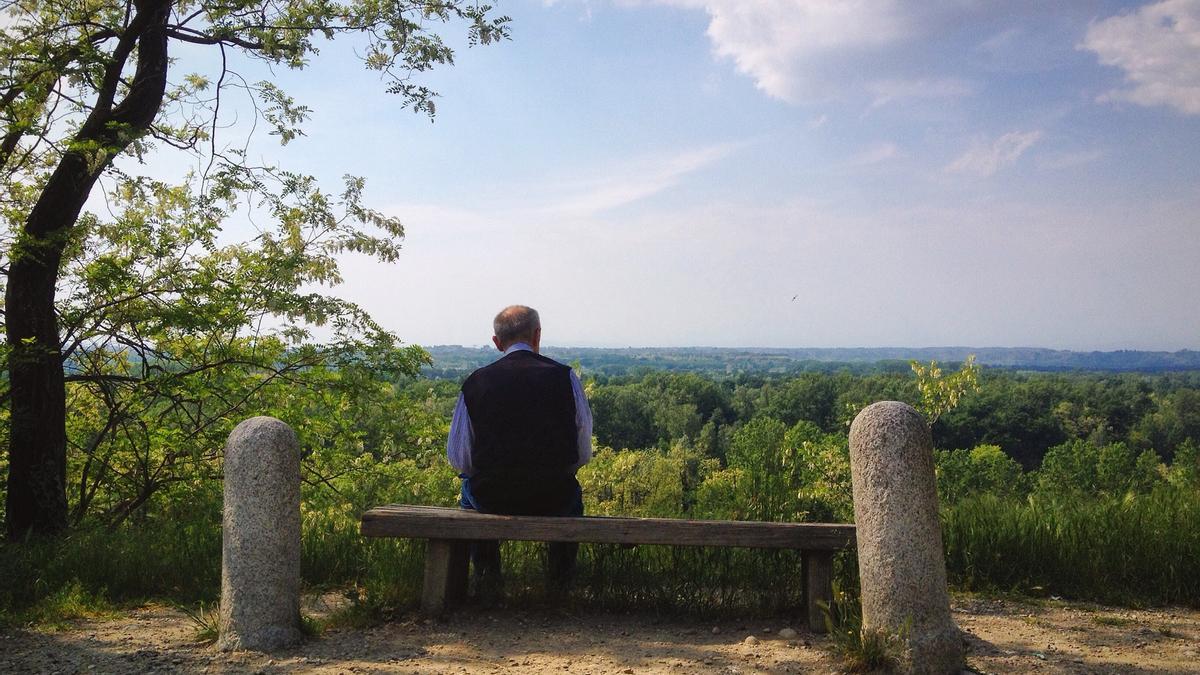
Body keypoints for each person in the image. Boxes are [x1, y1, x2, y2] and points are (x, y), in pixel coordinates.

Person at [446, 305, 593, 594]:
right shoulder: (565, 377)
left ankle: (487, 583)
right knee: (572, 495)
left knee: (469, 491)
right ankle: (560, 587)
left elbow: (459, 457)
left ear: (497, 342)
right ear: (537, 335)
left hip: (492, 497)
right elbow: (582, 451)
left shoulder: (477, 382)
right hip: (554, 497)